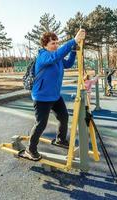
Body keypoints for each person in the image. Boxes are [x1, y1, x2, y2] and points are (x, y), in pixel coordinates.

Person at [25, 29, 86, 161]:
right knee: (41, 124)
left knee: (63, 117)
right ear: (45, 45)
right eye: (53, 43)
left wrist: (74, 51)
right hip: (41, 97)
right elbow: (56, 56)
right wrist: (73, 41)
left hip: (55, 96)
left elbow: (68, 63)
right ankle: (30, 149)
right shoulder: (44, 56)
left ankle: (60, 139)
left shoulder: (56, 57)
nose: (55, 45)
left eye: (57, 43)